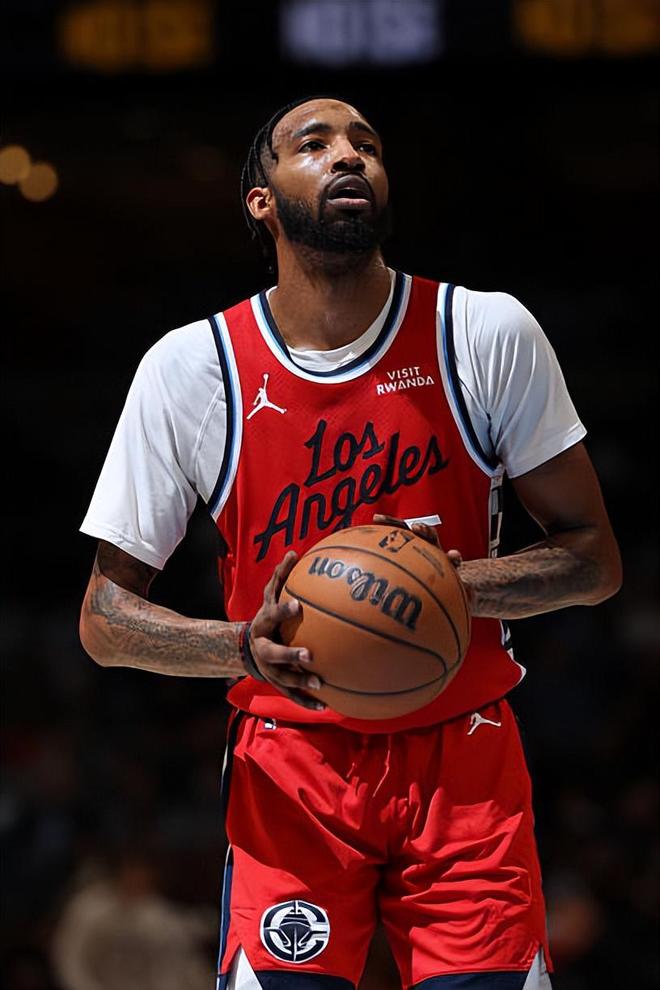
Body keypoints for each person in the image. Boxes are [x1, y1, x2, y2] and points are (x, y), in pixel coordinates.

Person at [79, 96, 622, 990]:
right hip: (291, 762)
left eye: (365, 144)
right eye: (315, 143)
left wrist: (454, 589)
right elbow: (103, 619)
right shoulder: (191, 368)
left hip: (463, 752)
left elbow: (594, 560)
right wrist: (239, 647)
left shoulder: (481, 331)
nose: (348, 156)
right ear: (261, 200)